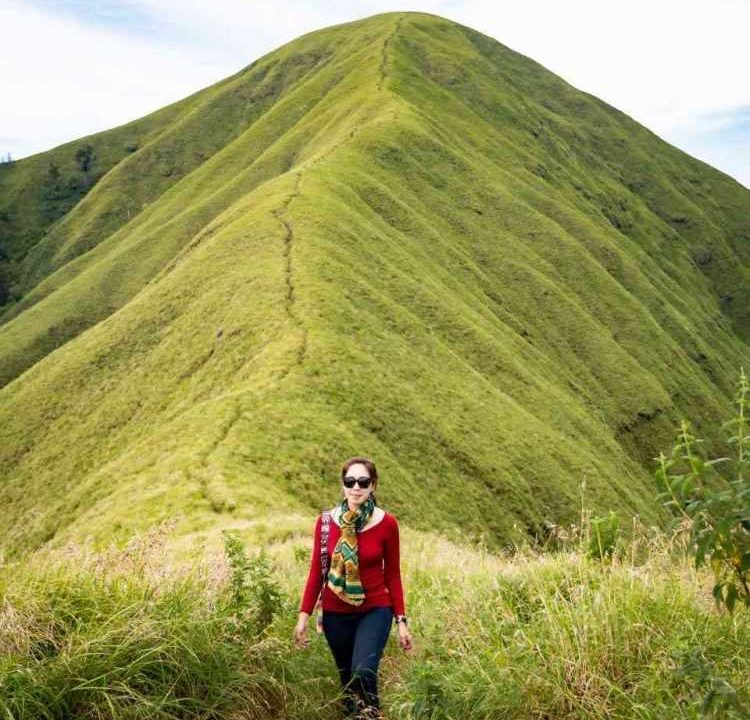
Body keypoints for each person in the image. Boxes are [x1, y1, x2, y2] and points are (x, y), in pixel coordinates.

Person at [293, 456, 414, 719]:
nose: (356, 487)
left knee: (364, 671)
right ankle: (354, 714)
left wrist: (401, 620)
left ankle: (371, 714)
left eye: (363, 481)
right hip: (336, 613)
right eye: (350, 481)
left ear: (373, 486)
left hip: (375, 609)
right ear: (343, 485)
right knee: (348, 680)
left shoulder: (387, 524)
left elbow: (392, 575)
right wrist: (303, 617)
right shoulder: (326, 522)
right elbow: (316, 571)